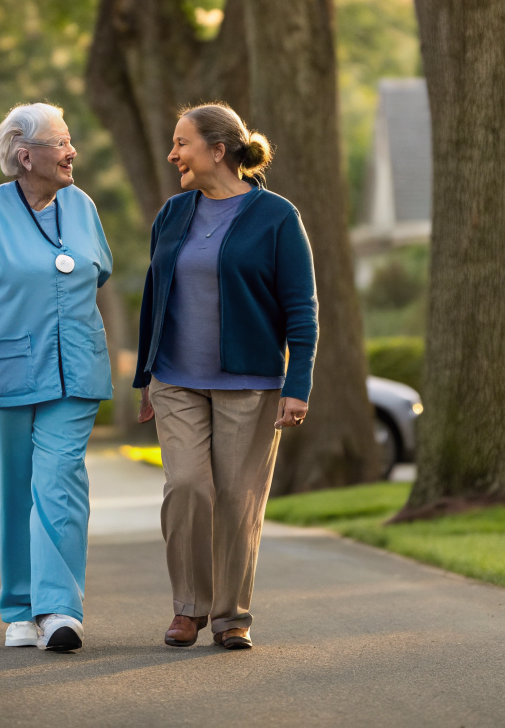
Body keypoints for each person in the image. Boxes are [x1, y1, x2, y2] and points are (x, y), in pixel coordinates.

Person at [133, 102, 316, 651]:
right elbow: (154, 297)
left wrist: (297, 384)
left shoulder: (277, 216)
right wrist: (146, 374)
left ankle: (231, 615)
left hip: (251, 381)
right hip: (176, 378)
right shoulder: (172, 213)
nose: (173, 154)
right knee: (187, 486)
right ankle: (188, 608)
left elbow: (300, 308)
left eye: (182, 143)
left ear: (218, 150)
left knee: (238, 497)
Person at [0, 103, 113, 653]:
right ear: (24, 155)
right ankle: (19, 608)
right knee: (14, 491)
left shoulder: (82, 206)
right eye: (60, 143)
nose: (71, 152)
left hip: (76, 370)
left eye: (69, 141)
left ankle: (58, 609)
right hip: (4, 375)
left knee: (59, 483)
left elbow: (94, 275)